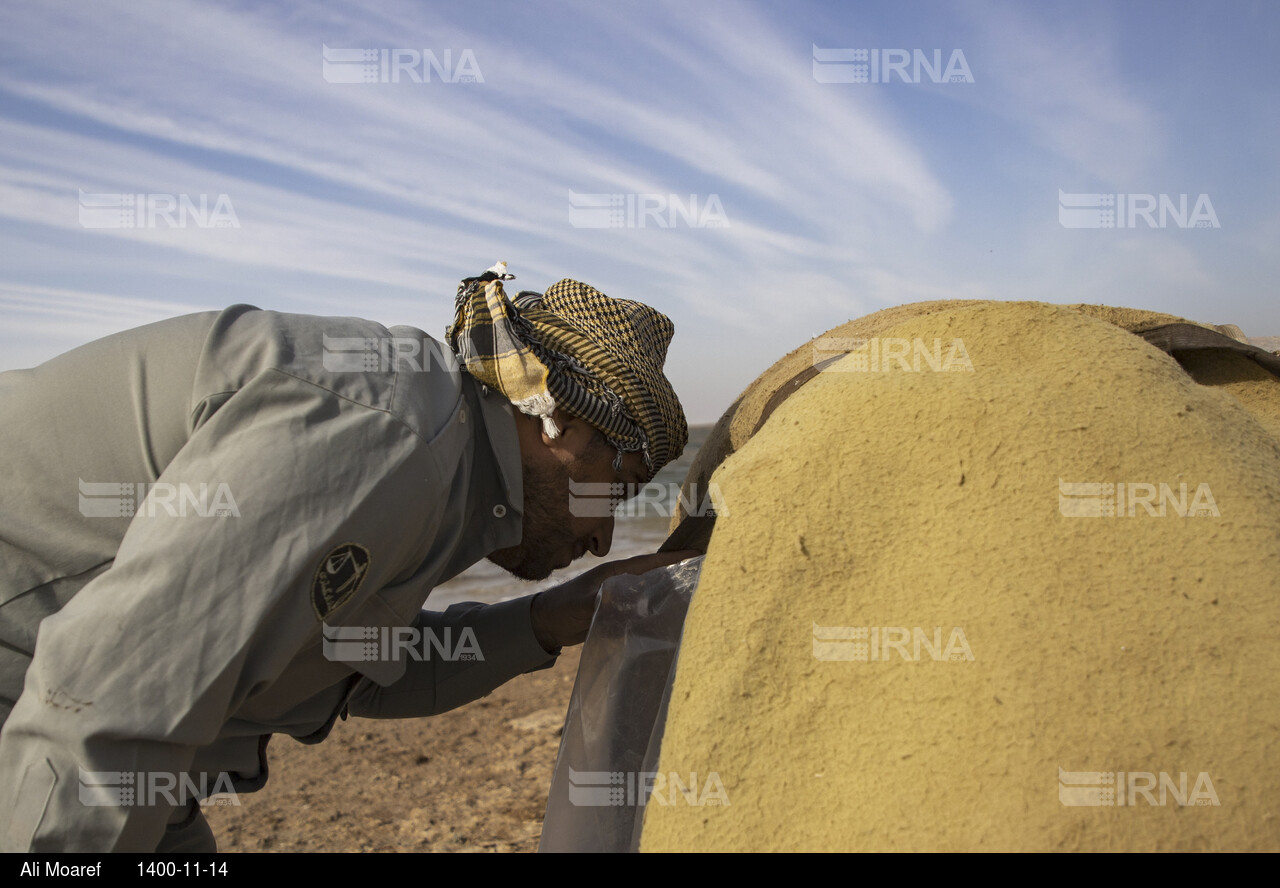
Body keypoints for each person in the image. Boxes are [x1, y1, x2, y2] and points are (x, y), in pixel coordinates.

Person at [0, 262, 693, 851]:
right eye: (621, 487)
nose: (604, 537)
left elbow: (351, 667)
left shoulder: (448, 472)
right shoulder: (386, 434)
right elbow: (110, 704)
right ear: (559, 422)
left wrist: (551, 619)